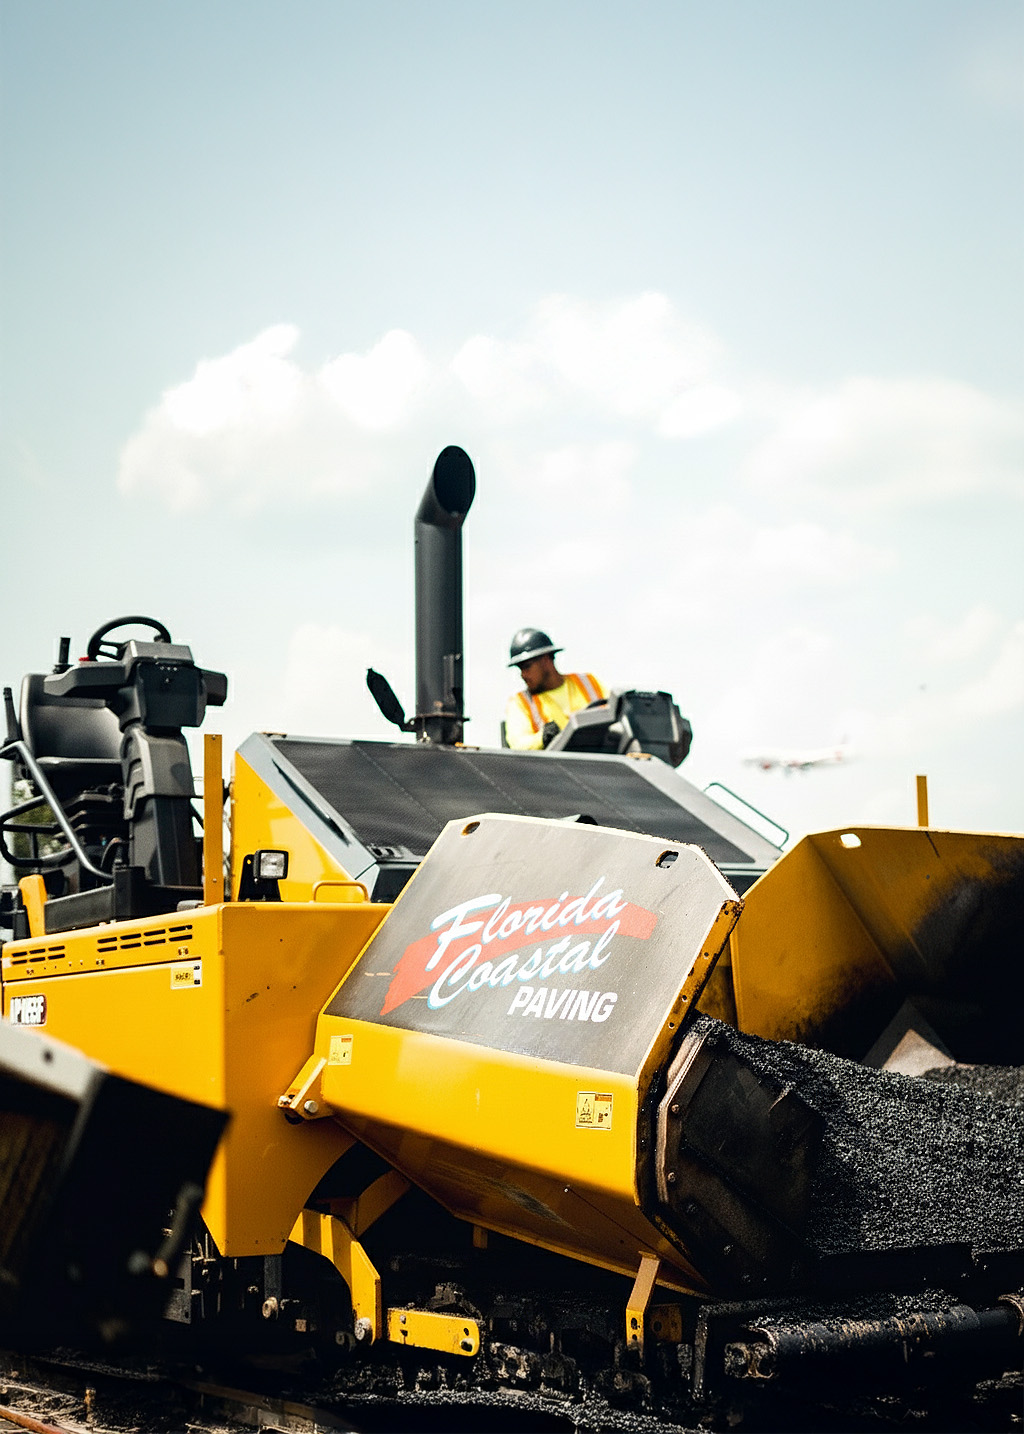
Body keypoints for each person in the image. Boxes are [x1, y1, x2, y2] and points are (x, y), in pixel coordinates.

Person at [503, 628, 606, 750]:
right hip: (558, 766)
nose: (523, 675)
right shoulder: (520, 702)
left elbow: (617, 714)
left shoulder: (588, 682)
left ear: (545, 659)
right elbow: (518, 745)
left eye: (527, 667)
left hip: (605, 758)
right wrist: (543, 737)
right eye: (520, 669)